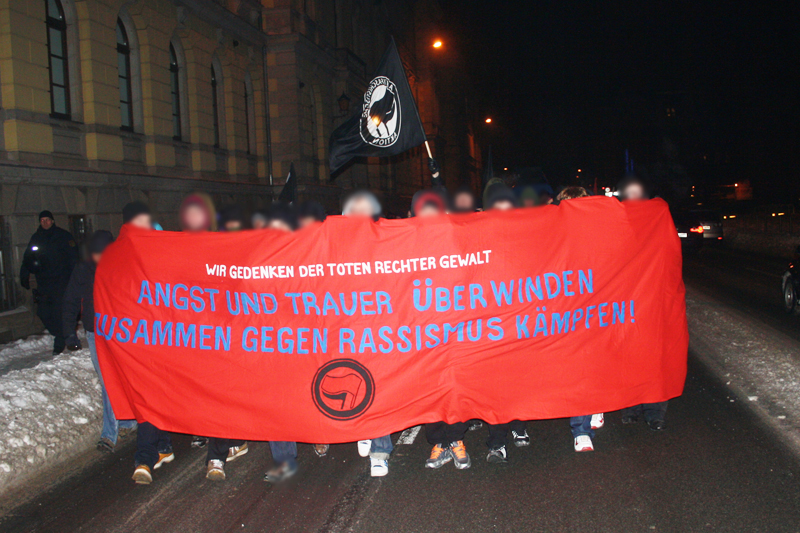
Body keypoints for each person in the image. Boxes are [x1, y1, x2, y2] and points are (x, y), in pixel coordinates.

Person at [62, 230, 136, 452]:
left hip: (120, 332)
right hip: (96, 333)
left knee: (123, 377)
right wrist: (69, 333)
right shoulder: (83, 269)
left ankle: (123, 423)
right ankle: (113, 429)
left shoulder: (121, 266)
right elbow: (71, 300)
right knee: (107, 381)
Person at [340, 191, 393, 477]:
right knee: (355, 383)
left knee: (379, 388)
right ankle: (365, 429)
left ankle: (380, 451)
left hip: (378, 329)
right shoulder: (335, 246)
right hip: (347, 328)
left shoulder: (384, 242)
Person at [481, 183, 531, 463]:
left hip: (520, 322)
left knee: (519, 381)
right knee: (496, 387)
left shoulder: (525, 229)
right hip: (490, 325)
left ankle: (518, 424)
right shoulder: (477, 229)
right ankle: (497, 442)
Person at [615, 176, 668, 430]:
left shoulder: (657, 214)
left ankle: (654, 411)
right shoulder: (617, 217)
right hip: (625, 298)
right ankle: (631, 406)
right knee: (629, 357)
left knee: (654, 357)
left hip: (652, 297)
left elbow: (667, 253)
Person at [554, 186, 604, 451]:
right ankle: (583, 423)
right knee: (575, 369)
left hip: (595, 310)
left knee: (592, 365)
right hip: (565, 312)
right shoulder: (551, 232)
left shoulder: (598, 233)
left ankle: (584, 422)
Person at [179, 193, 216, 449]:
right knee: (192, 384)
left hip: (213, 327)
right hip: (188, 326)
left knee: (212, 384)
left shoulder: (217, 243)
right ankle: (198, 428)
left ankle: (214, 427)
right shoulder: (176, 243)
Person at [19, 210, 79, 355]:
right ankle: (61, 334)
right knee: (43, 313)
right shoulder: (36, 238)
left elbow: (74, 258)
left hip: (61, 282)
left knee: (59, 313)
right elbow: (28, 258)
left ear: (52, 221)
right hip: (44, 284)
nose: (45, 222)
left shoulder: (63, 236)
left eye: (47, 220)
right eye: (42, 220)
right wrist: (24, 275)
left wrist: (75, 279)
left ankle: (59, 342)